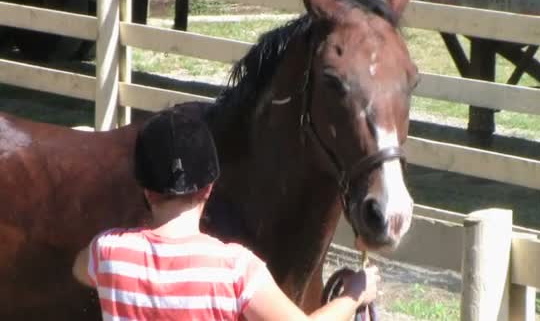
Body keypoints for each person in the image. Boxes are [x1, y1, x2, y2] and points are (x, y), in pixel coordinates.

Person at [72, 108, 380, 320]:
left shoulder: (109, 251)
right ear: (208, 188)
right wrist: (354, 294)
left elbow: (79, 269)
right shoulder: (235, 268)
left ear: (145, 189)